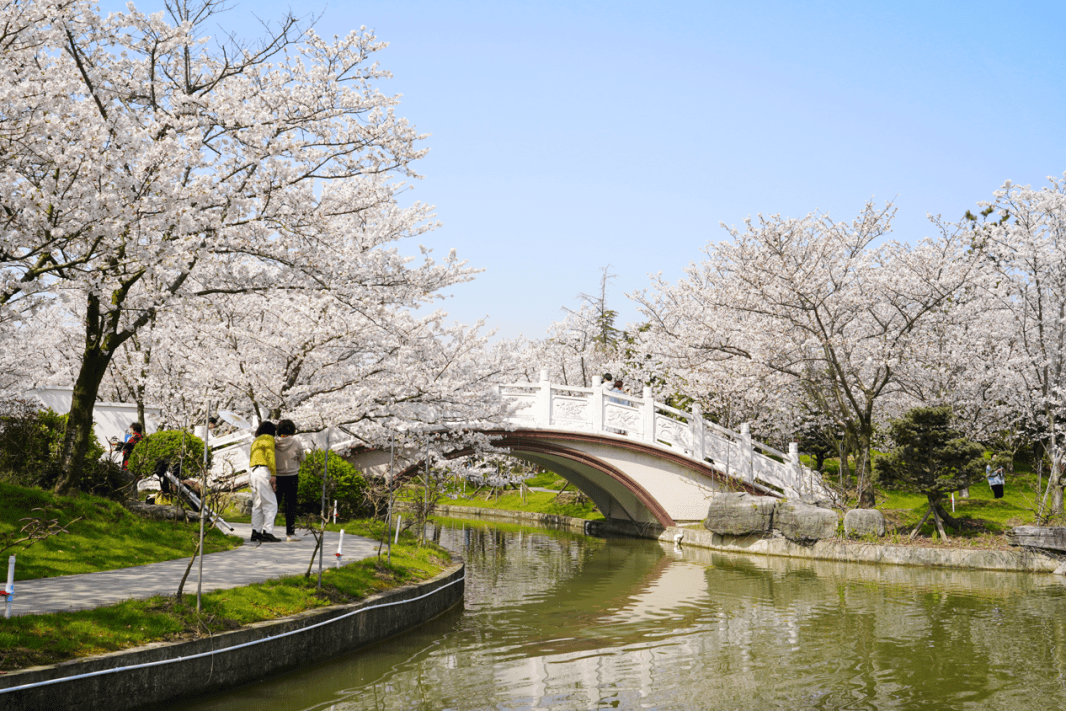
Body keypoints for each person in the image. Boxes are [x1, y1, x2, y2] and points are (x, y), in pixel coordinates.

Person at [274, 419, 306, 542]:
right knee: (290, 505)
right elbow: (303, 458)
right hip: (292, 476)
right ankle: (290, 534)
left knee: (274, 505)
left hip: (276, 476)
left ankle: (267, 531)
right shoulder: (296, 441)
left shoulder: (274, 442)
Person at [248, 421, 281, 543]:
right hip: (263, 471)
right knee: (271, 503)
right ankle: (268, 532)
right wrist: (273, 473)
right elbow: (270, 456)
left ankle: (255, 532)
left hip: (253, 471)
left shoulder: (255, 440)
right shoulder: (268, 439)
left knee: (258, 503)